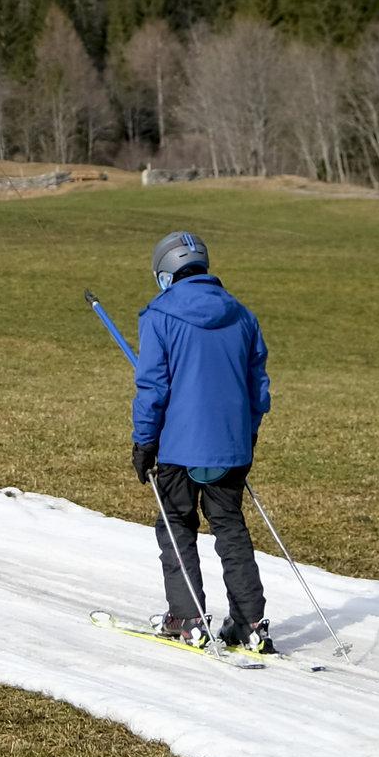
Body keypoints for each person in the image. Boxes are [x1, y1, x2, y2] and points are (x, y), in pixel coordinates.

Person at [131, 229, 272, 653]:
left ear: (167, 273)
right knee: (230, 527)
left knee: (176, 525)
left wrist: (143, 443)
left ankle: (188, 618)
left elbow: (153, 388)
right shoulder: (243, 315)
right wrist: (245, 437)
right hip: (230, 447)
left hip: (179, 447)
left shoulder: (159, 315)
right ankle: (250, 623)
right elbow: (258, 389)